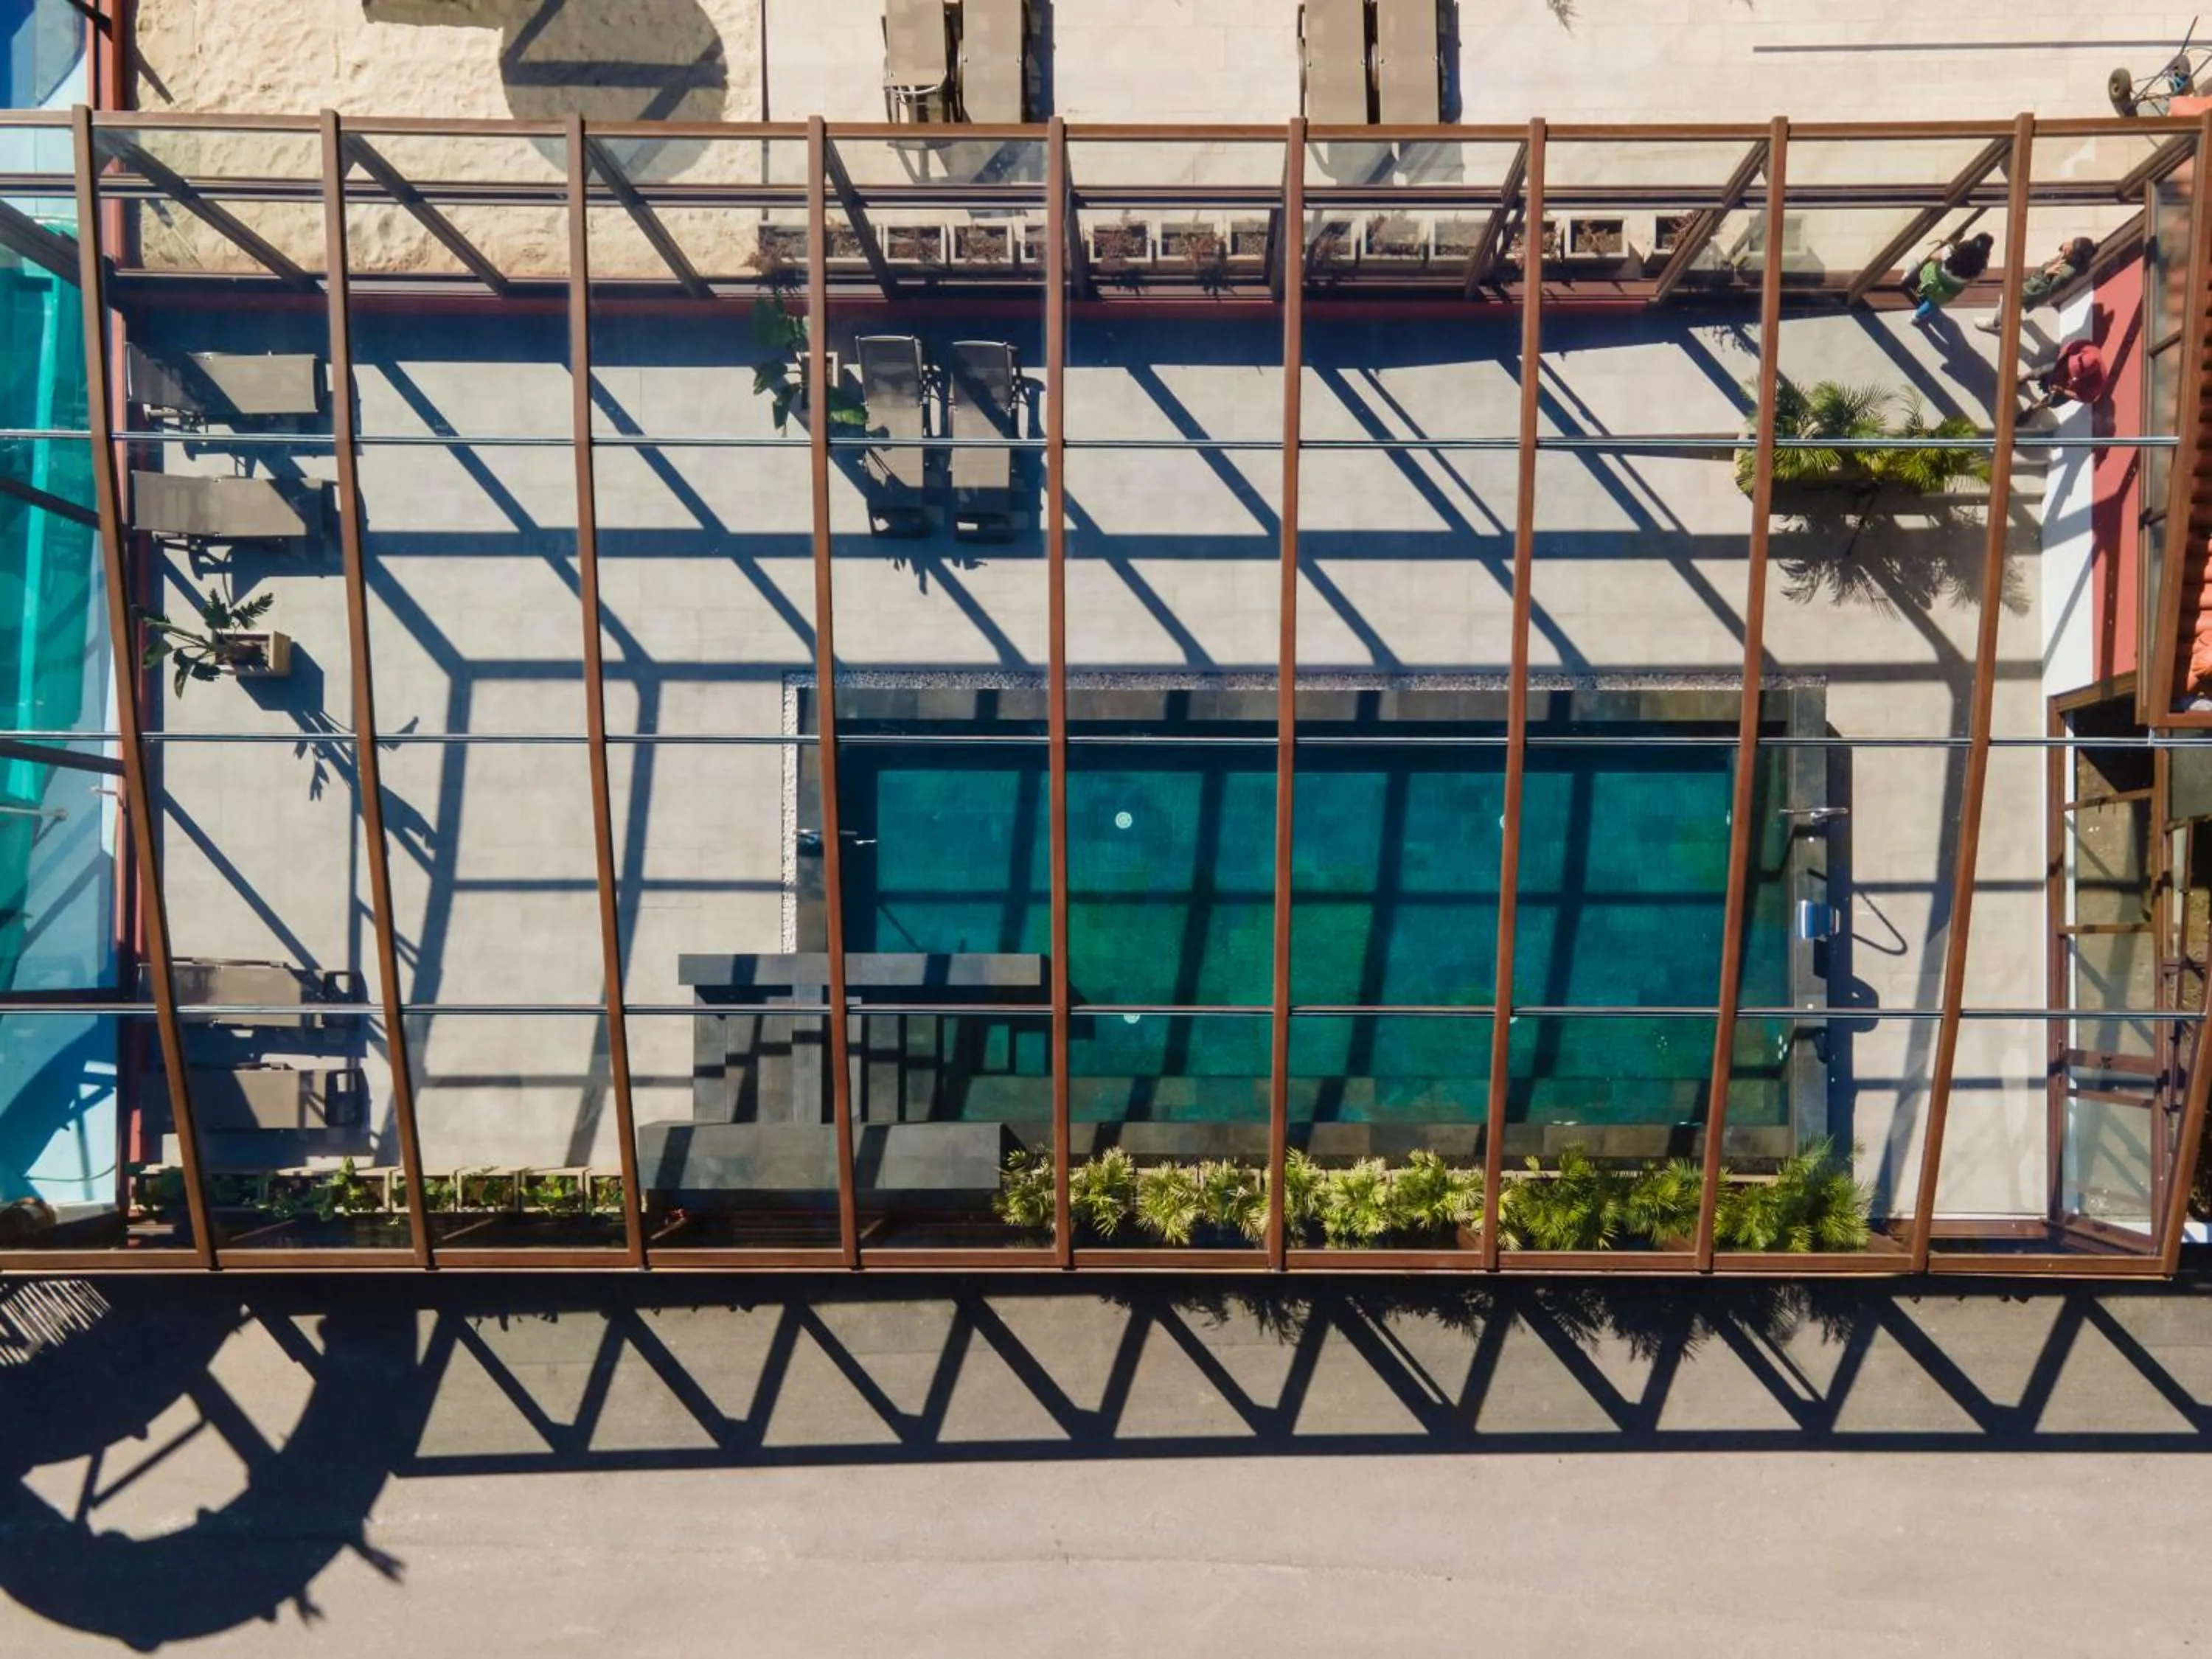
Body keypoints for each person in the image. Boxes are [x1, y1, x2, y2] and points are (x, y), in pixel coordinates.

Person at [1975, 236, 2096, 333]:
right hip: (2033, 284)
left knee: (2006, 301)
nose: (2068, 244)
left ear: (2074, 255)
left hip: (2033, 291)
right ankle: (2014, 316)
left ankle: (1995, 324)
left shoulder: (2066, 272)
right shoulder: (2070, 257)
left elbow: (2048, 288)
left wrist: (2046, 275)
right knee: (2012, 304)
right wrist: (2063, 251)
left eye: (2071, 247)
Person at [1905, 230, 1994, 322]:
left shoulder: (1949, 253)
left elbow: (1933, 257)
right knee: (1932, 304)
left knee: (1917, 265)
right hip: (1947, 292)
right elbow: (1973, 280)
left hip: (1932, 279)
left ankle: (1914, 286)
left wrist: (1951, 245)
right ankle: (1916, 317)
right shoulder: (1980, 269)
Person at [2022, 335, 2107, 414]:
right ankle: (2022, 379)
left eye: (2072, 373)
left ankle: (2035, 408)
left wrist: (2063, 391)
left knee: (2052, 401)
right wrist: (2059, 363)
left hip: (2072, 388)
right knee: (2041, 371)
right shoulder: (2086, 346)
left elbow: (2083, 397)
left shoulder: (2097, 384)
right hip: (2062, 366)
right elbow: (2067, 348)